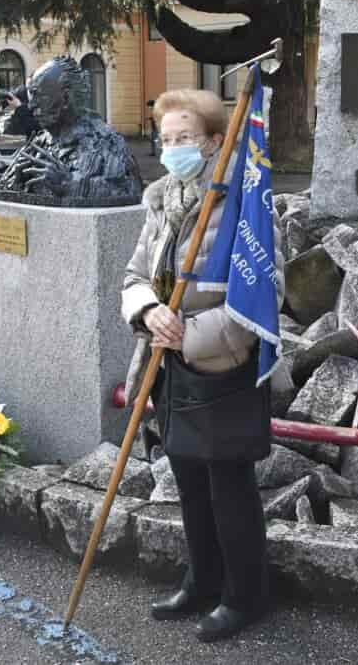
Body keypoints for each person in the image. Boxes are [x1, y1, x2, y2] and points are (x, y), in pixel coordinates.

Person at [121, 89, 283, 643]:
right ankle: (202, 579)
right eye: (165, 139)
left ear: (215, 141)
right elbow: (135, 274)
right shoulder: (162, 197)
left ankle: (245, 594)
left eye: (185, 138)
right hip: (167, 365)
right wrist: (147, 311)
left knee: (227, 486)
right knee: (188, 479)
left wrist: (188, 334)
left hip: (219, 367)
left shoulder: (245, 203)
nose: (173, 148)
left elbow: (261, 298)